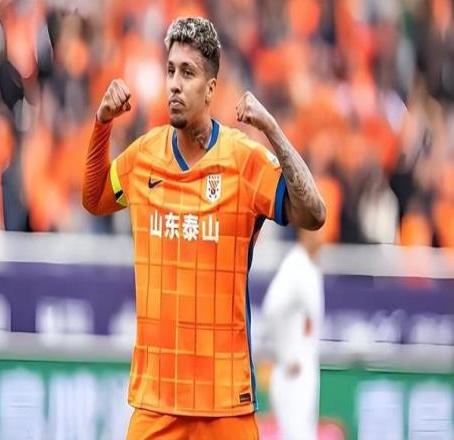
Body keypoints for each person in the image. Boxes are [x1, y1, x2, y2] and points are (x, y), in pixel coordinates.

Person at [82, 16, 326, 440]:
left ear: (211, 88)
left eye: (188, 73)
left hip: (225, 405)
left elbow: (314, 213)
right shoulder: (143, 157)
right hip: (156, 403)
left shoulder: (244, 161)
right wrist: (103, 124)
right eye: (170, 71)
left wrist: (272, 130)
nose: (175, 85)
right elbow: (95, 197)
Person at [262, 228, 325, 440]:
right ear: (304, 234)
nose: (322, 240)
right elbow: (272, 308)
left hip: (303, 365)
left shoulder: (308, 266)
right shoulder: (295, 266)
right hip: (292, 371)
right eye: (317, 233)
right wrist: (286, 355)